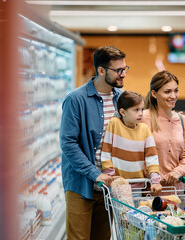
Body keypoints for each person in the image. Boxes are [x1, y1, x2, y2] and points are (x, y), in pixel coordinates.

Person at [59, 46, 129, 240]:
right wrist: (95, 174)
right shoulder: (75, 100)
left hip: (109, 186)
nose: (123, 74)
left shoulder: (122, 99)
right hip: (81, 184)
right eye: (118, 70)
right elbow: (68, 144)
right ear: (101, 70)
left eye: (125, 69)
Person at [101, 91, 163, 194]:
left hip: (138, 185)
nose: (141, 113)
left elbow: (152, 158)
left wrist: (155, 180)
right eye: (136, 110)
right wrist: (111, 177)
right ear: (123, 112)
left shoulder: (144, 129)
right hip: (117, 185)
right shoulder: (114, 124)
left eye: (142, 109)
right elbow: (106, 153)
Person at [141, 70, 185, 190]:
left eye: (176, 90)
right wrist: (156, 177)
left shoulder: (181, 120)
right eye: (167, 92)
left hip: (178, 191)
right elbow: (137, 156)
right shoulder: (142, 118)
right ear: (154, 93)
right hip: (151, 191)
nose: (173, 96)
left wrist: (178, 172)